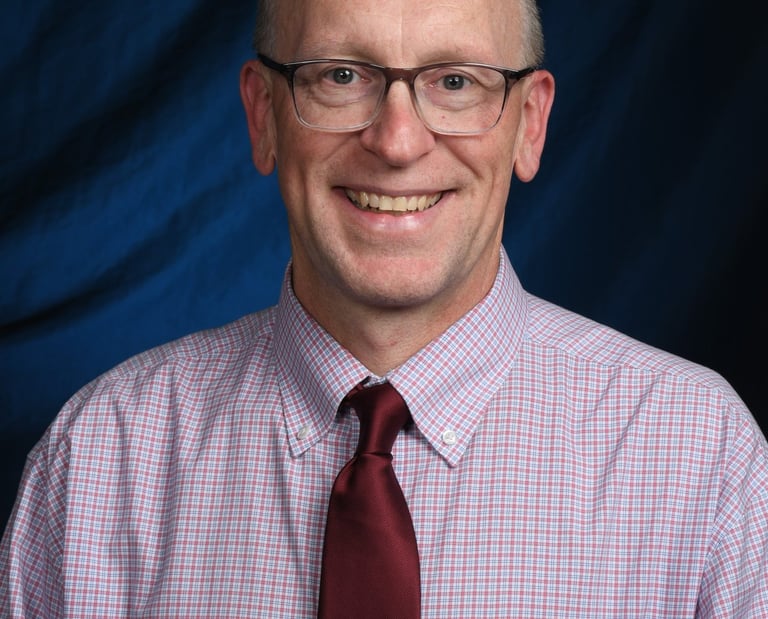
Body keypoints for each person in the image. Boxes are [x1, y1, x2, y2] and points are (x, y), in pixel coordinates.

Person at [2, 0, 767, 616]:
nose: (398, 141)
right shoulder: (98, 460)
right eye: (341, 75)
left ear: (530, 124)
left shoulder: (701, 457)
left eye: (456, 81)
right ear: (263, 115)